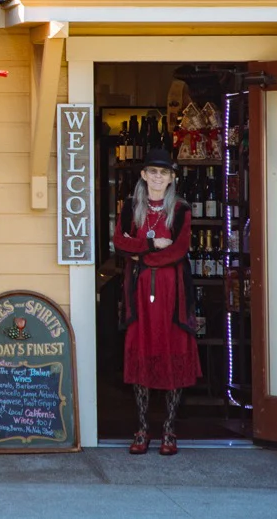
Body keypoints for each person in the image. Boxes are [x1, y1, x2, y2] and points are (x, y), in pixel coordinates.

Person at [111, 148, 200, 456]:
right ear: (143, 175)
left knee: (172, 349)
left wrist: (142, 255)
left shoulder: (181, 209)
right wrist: (148, 244)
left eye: (164, 173)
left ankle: (168, 431)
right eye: (153, 172)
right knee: (142, 350)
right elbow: (119, 241)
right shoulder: (131, 206)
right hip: (139, 291)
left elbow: (179, 249)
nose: (158, 177)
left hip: (172, 293)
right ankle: (142, 429)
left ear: (171, 178)